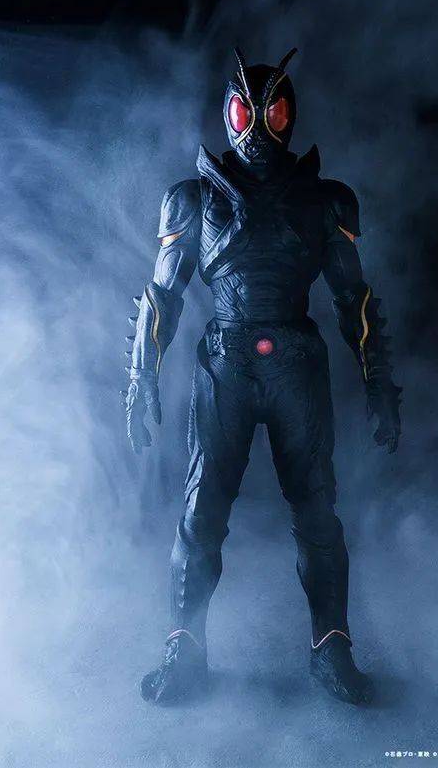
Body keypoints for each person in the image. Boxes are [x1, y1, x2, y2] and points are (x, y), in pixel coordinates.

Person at [124, 47, 401, 705]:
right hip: (225, 363)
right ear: (229, 114)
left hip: (295, 363)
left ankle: (332, 647)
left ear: (288, 116)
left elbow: (354, 300)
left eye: (271, 113)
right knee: (201, 513)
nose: (257, 129)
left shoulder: (326, 201)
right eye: (247, 113)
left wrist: (378, 385)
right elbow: (161, 298)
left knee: (317, 513)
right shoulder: (192, 200)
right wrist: (141, 379)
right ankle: (185, 649)